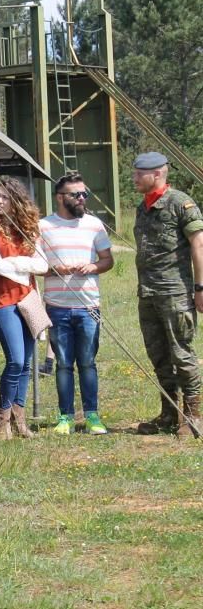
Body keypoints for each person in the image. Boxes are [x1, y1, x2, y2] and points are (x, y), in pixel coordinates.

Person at [131, 152, 203, 439]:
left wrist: (200, 287)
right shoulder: (142, 207)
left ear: (157, 174)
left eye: (139, 174)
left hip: (176, 292)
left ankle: (194, 415)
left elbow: (198, 246)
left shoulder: (179, 203)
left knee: (182, 354)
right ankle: (169, 413)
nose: (134, 178)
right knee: (158, 355)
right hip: (148, 293)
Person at [39, 173, 113, 435]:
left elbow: (108, 260)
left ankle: (92, 416)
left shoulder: (94, 225)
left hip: (88, 307)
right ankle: (65, 417)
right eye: (76, 194)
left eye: (85, 194)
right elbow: (34, 265)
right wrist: (52, 269)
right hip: (57, 307)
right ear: (60, 198)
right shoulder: (43, 227)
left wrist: (93, 265)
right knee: (63, 364)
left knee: (88, 362)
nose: (82, 198)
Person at [0, 177, 48, 440]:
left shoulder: (27, 228)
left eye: (6, 197)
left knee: (27, 362)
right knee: (15, 359)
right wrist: (24, 263)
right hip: (1, 300)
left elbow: (42, 265)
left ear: (17, 201)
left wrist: (15, 262)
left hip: (27, 299)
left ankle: (20, 420)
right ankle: (1, 420)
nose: (0, 201)